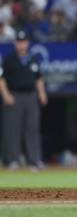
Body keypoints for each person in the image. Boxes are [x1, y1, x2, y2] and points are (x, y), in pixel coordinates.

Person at [0, 31, 47, 170]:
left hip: (31, 96)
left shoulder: (33, 59)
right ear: (15, 43)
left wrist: (42, 93)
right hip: (14, 95)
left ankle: (34, 160)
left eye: (24, 41)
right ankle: (13, 160)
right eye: (19, 42)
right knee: (12, 129)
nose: (22, 44)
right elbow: (1, 79)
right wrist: (5, 94)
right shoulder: (9, 59)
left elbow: (39, 78)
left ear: (28, 43)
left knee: (32, 128)